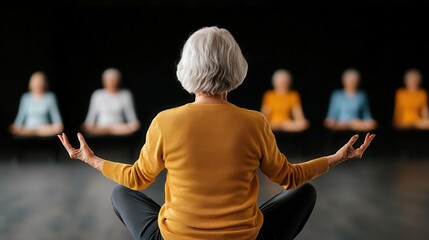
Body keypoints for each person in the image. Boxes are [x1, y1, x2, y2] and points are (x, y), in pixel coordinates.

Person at [58, 27, 375, 240]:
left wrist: (94, 160)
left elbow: (136, 180)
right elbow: (289, 178)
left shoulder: (165, 121)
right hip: (243, 237)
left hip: (176, 237)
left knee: (118, 193)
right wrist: (335, 158)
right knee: (305, 193)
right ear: (237, 68)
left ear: (186, 68)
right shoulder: (255, 122)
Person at [82, 68, 140, 136]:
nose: (111, 82)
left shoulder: (125, 95)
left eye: (114, 79)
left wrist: (132, 126)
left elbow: (132, 118)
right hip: (101, 128)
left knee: (133, 127)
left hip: (119, 127)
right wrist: (89, 126)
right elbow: (90, 118)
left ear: (118, 80)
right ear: (104, 81)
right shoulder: (97, 95)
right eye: (109, 80)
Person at [10, 71, 63, 137]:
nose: (38, 84)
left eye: (40, 82)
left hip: (44, 129)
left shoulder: (50, 97)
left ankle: (36, 132)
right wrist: (16, 127)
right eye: (36, 82)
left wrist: (55, 127)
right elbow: (20, 116)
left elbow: (57, 121)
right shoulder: (26, 98)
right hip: (28, 129)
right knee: (15, 129)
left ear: (44, 83)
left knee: (57, 128)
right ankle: (34, 132)